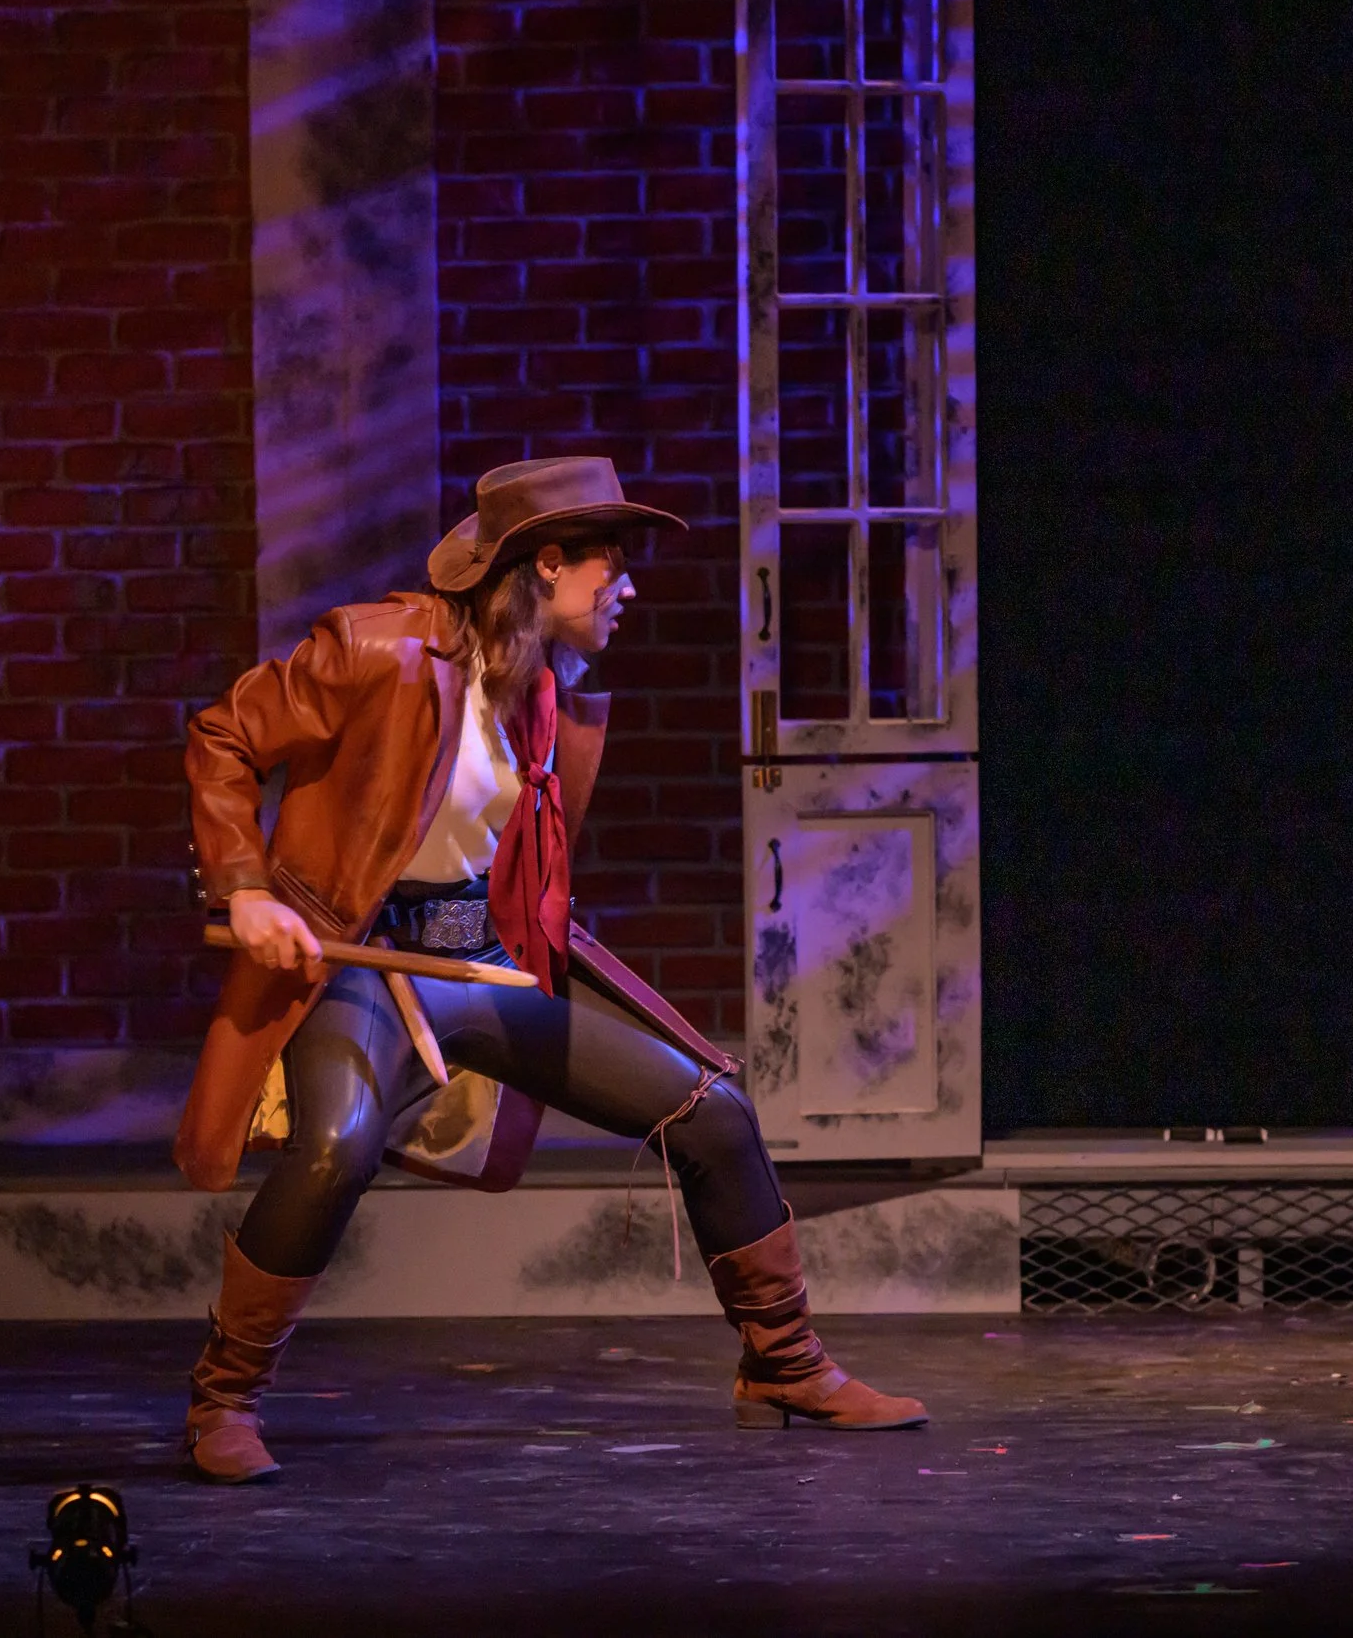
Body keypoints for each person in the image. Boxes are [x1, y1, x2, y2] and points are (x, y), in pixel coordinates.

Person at [174, 455, 928, 1483]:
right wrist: (247, 887)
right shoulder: (374, 647)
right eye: (607, 568)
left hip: (479, 959)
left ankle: (783, 1363)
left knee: (709, 1108)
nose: (628, 589)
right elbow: (222, 734)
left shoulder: (538, 690)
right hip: (358, 956)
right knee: (333, 1147)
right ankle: (222, 1399)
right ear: (542, 566)